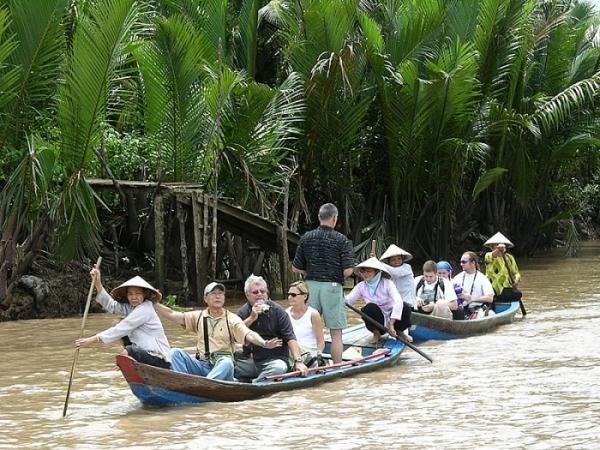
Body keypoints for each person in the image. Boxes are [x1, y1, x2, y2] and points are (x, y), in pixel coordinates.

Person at [154, 282, 282, 381]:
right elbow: (172, 314)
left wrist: (264, 343)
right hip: (202, 365)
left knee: (226, 362)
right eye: (213, 293)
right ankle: (182, 383)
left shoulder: (231, 319)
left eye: (220, 293)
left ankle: (205, 386)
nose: (217, 296)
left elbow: (248, 334)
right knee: (175, 352)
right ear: (205, 298)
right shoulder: (198, 316)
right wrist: (154, 303)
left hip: (221, 368)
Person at [292, 203, 354, 364]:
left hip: (310, 287)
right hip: (332, 288)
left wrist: (309, 273)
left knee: (308, 327)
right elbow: (348, 271)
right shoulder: (342, 240)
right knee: (336, 334)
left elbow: (295, 267)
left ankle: (303, 361)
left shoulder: (306, 237)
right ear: (335, 219)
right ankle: (337, 367)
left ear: (319, 217)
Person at [75, 266, 171, 369]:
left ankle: (131, 362)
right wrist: (98, 283)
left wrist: (93, 339)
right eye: (130, 294)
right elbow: (111, 305)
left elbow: (123, 328)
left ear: (144, 294)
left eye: (137, 293)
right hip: (145, 352)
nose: (134, 297)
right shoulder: (132, 308)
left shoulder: (145, 309)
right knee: (117, 322)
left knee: (126, 352)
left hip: (159, 358)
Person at [235, 275, 308, 382]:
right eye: (255, 292)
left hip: (274, 361)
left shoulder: (278, 311)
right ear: (247, 295)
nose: (260, 294)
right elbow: (234, 334)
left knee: (279, 368)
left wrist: (298, 361)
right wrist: (252, 318)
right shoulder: (243, 312)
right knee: (227, 363)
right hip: (250, 361)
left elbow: (290, 338)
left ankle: (255, 384)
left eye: (262, 292)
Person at [345, 257, 412, 343]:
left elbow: (398, 301)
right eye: (363, 271)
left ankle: (399, 331)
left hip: (393, 318)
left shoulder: (387, 283)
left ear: (376, 272)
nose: (365, 274)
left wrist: (391, 324)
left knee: (405, 306)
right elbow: (348, 300)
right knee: (369, 308)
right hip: (377, 320)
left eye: (368, 271)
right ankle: (376, 333)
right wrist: (339, 298)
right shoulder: (361, 286)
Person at [285, 281, 325, 364]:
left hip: (308, 352)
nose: (289, 297)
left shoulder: (313, 314)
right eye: (288, 294)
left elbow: (320, 341)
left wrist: (319, 354)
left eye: (293, 295)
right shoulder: (286, 313)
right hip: (292, 350)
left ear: (304, 296)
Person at [452, 251, 495, 317]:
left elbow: (490, 298)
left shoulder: (482, 278)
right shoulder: (457, 277)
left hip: (477, 309)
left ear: (473, 263)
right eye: (460, 262)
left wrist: (472, 299)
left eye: (464, 262)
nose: (461, 264)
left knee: (490, 314)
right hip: (460, 309)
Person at [483, 232, 522, 303]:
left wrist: (516, 280)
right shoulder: (488, 255)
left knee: (518, 293)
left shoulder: (509, 258)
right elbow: (492, 255)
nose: (501, 248)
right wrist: (498, 249)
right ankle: (493, 298)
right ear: (492, 247)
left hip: (506, 288)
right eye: (496, 245)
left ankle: (496, 299)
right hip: (493, 288)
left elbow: (516, 273)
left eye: (503, 246)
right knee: (515, 294)